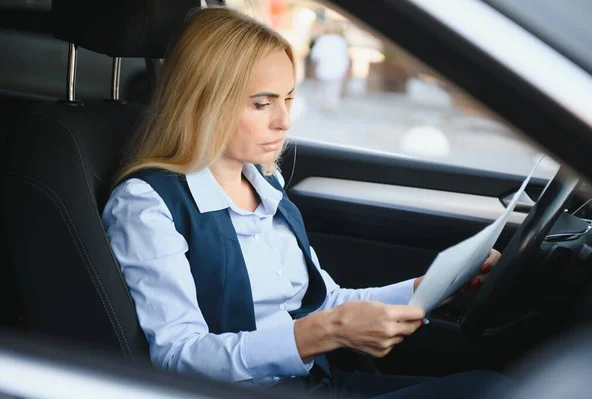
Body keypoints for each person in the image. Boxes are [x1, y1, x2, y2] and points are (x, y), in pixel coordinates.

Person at [102, 6, 512, 398]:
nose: (283, 120)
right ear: (203, 103)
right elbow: (178, 357)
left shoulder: (265, 185)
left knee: (494, 385)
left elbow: (324, 302)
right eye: (262, 104)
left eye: (288, 99)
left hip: (317, 384)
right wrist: (325, 333)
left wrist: (430, 289)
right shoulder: (148, 204)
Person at [310, 21, 350, 113]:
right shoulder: (341, 41)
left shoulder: (322, 40)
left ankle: (325, 105)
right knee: (333, 90)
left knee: (323, 89)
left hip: (323, 69)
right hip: (337, 70)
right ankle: (330, 106)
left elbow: (316, 56)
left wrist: (313, 70)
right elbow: (345, 58)